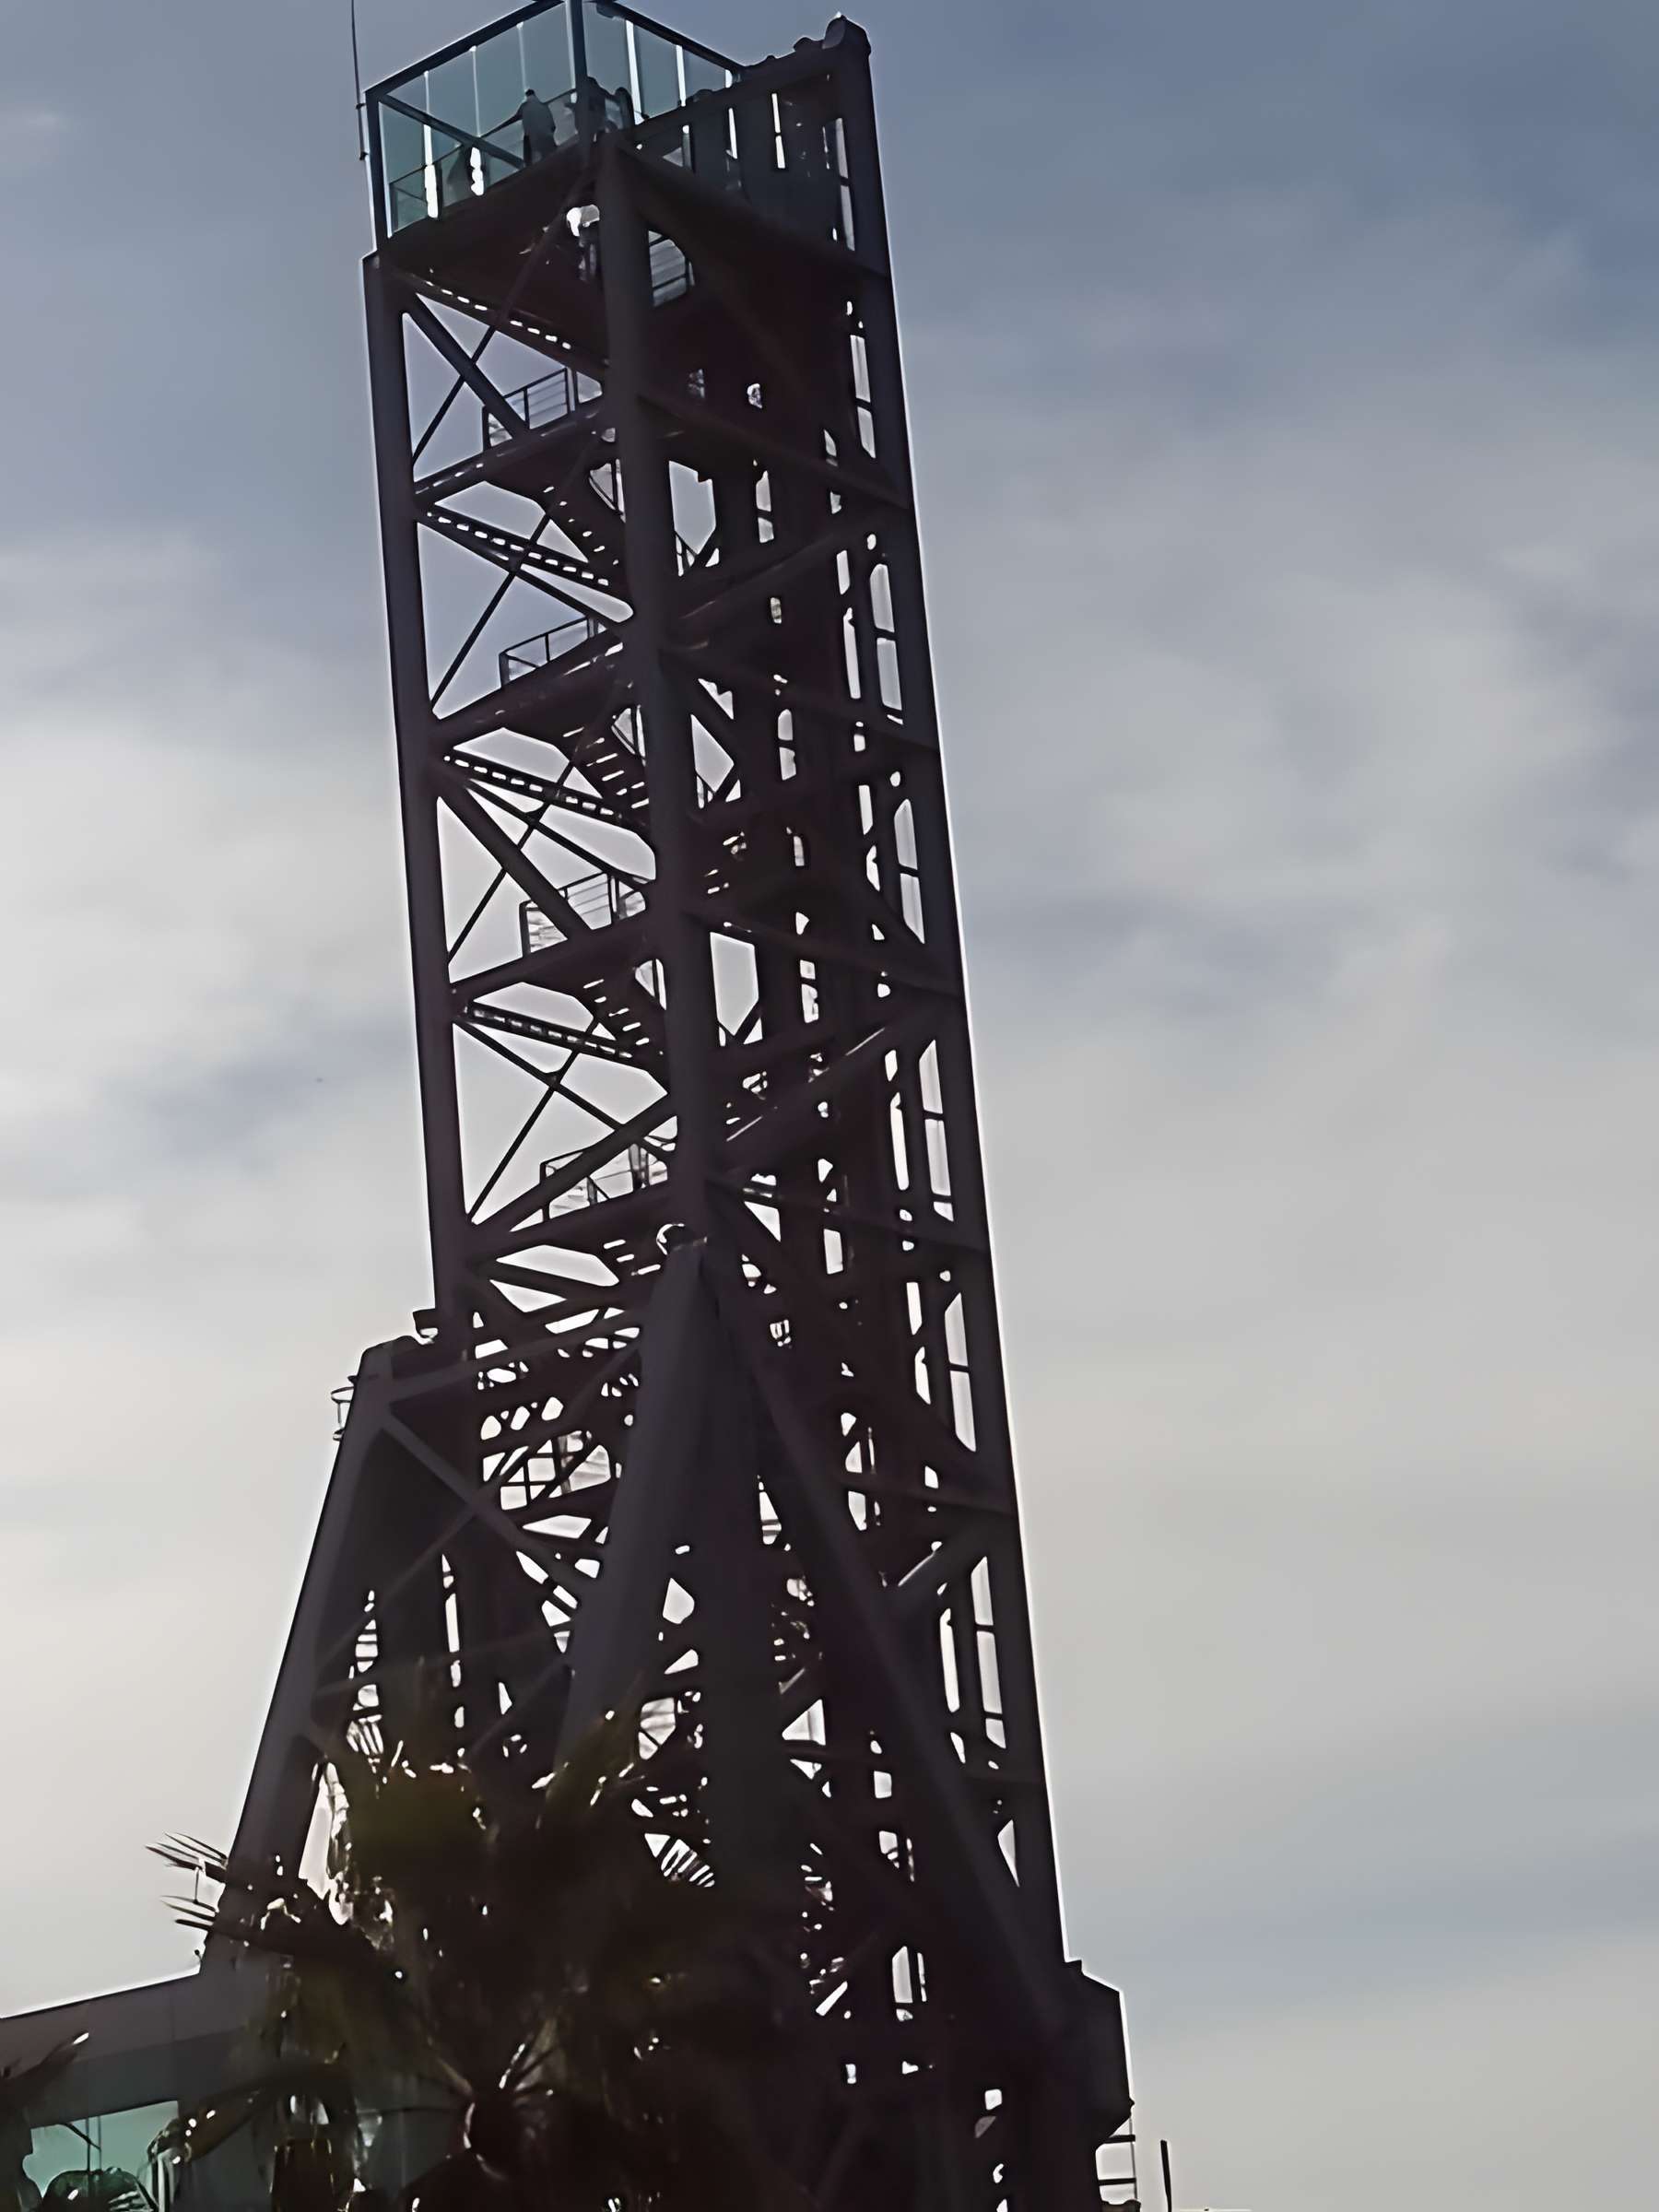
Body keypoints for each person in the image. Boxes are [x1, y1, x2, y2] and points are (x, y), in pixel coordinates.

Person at [515, 86, 558, 163]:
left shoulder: (524, 106)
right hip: (548, 137)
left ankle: (527, 165)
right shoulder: (544, 106)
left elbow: (517, 116)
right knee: (552, 157)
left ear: (527, 96)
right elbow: (553, 127)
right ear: (535, 95)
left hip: (535, 141)